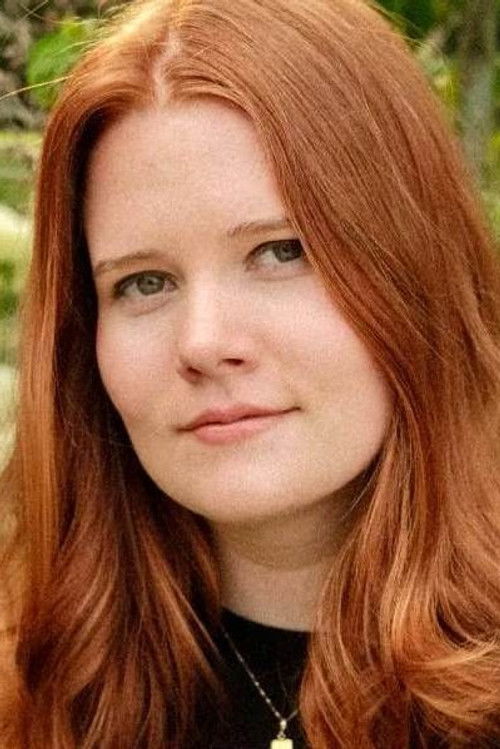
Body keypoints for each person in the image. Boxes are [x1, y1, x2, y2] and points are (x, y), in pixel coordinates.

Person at [0, 0, 499, 746]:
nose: (204, 342)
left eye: (280, 252)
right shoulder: (38, 695)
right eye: (144, 282)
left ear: (414, 266)